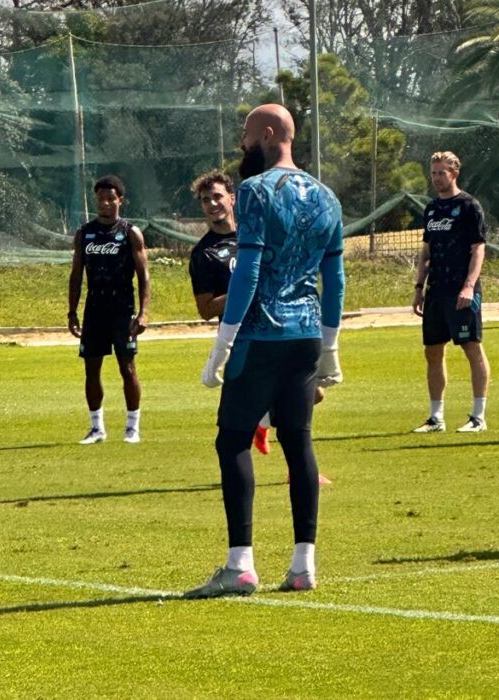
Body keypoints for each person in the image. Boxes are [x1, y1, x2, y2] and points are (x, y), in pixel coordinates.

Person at [186, 104, 345, 598]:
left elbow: (249, 272)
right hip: (305, 335)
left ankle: (241, 565)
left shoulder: (255, 191)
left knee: (233, 440)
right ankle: (303, 565)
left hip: (261, 334)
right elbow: (335, 279)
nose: (242, 144)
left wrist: (223, 343)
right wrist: (330, 346)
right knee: (298, 442)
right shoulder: (327, 197)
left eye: (247, 135)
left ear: (269, 133)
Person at [187, 169, 331, 482]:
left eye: (217, 196)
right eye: (205, 200)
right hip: (244, 341)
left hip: (281, 329)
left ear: (232, 198)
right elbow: (205, 309)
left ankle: (265, 426)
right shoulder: (203, 253)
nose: (212, 203)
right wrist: (244, 289)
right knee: (264, 413)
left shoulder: (257, 232)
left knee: (314, 395)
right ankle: (295, 467)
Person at [67, 175, 150, 445]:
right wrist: (72, 312)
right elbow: (76, 275)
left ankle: (132, 428)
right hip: (94, 309)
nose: (105, 203)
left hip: (122, 309)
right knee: (91, 368)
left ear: (120, 200)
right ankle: (96, 428)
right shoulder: (85, 233)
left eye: (110, 198)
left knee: (127, 367)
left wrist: (143, 312)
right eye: (101, 198)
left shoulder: (130, 232)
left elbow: (144, 275)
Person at [411, 151, 490, 433]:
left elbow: (478, 249)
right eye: (433, 173)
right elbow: (426, 251)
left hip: (461, 290)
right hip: (436, 290)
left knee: (472, 348)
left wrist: (469, 286)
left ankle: (478, 416)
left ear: (454, 174)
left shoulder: (469, 206)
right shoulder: (432, 209)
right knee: (433, 352)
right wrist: (419, 287)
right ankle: (436, 418)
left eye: (441, 173)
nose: (436, 178)